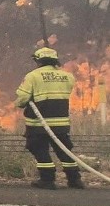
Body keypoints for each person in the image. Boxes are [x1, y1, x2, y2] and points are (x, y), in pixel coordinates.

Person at [15, 47, 83, 189]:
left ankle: (47, 180)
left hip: (39, 123)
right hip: (61, 122)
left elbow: (22, 98)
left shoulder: (33, 76)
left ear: (38, 60)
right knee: (64, 151)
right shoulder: (67, 76)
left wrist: (20, 104)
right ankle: (75, 179)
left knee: (38, 148)